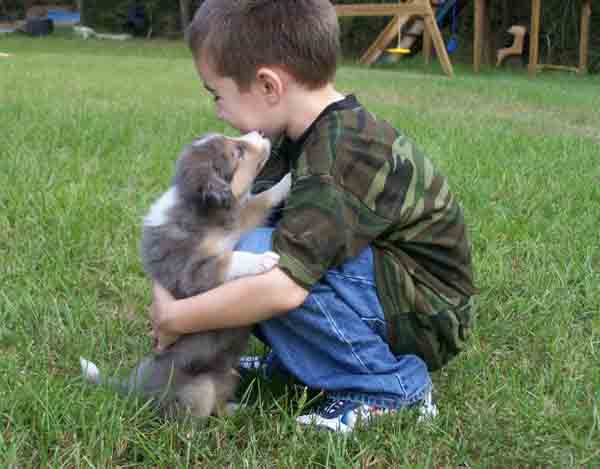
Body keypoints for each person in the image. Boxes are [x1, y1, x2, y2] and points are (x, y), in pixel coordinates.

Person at [150, 0, 476, 433]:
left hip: (426, 315)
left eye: (218, 95)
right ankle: (306, 363)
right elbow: (216, 223)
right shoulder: (294, 133)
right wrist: (166, 286)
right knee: (251, 242)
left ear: (268, 86)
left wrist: (178, 317)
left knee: (258, 259)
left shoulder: (340, 153)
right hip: (383, 286)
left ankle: (391, 387)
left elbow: (283, 290)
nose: (219, 112)